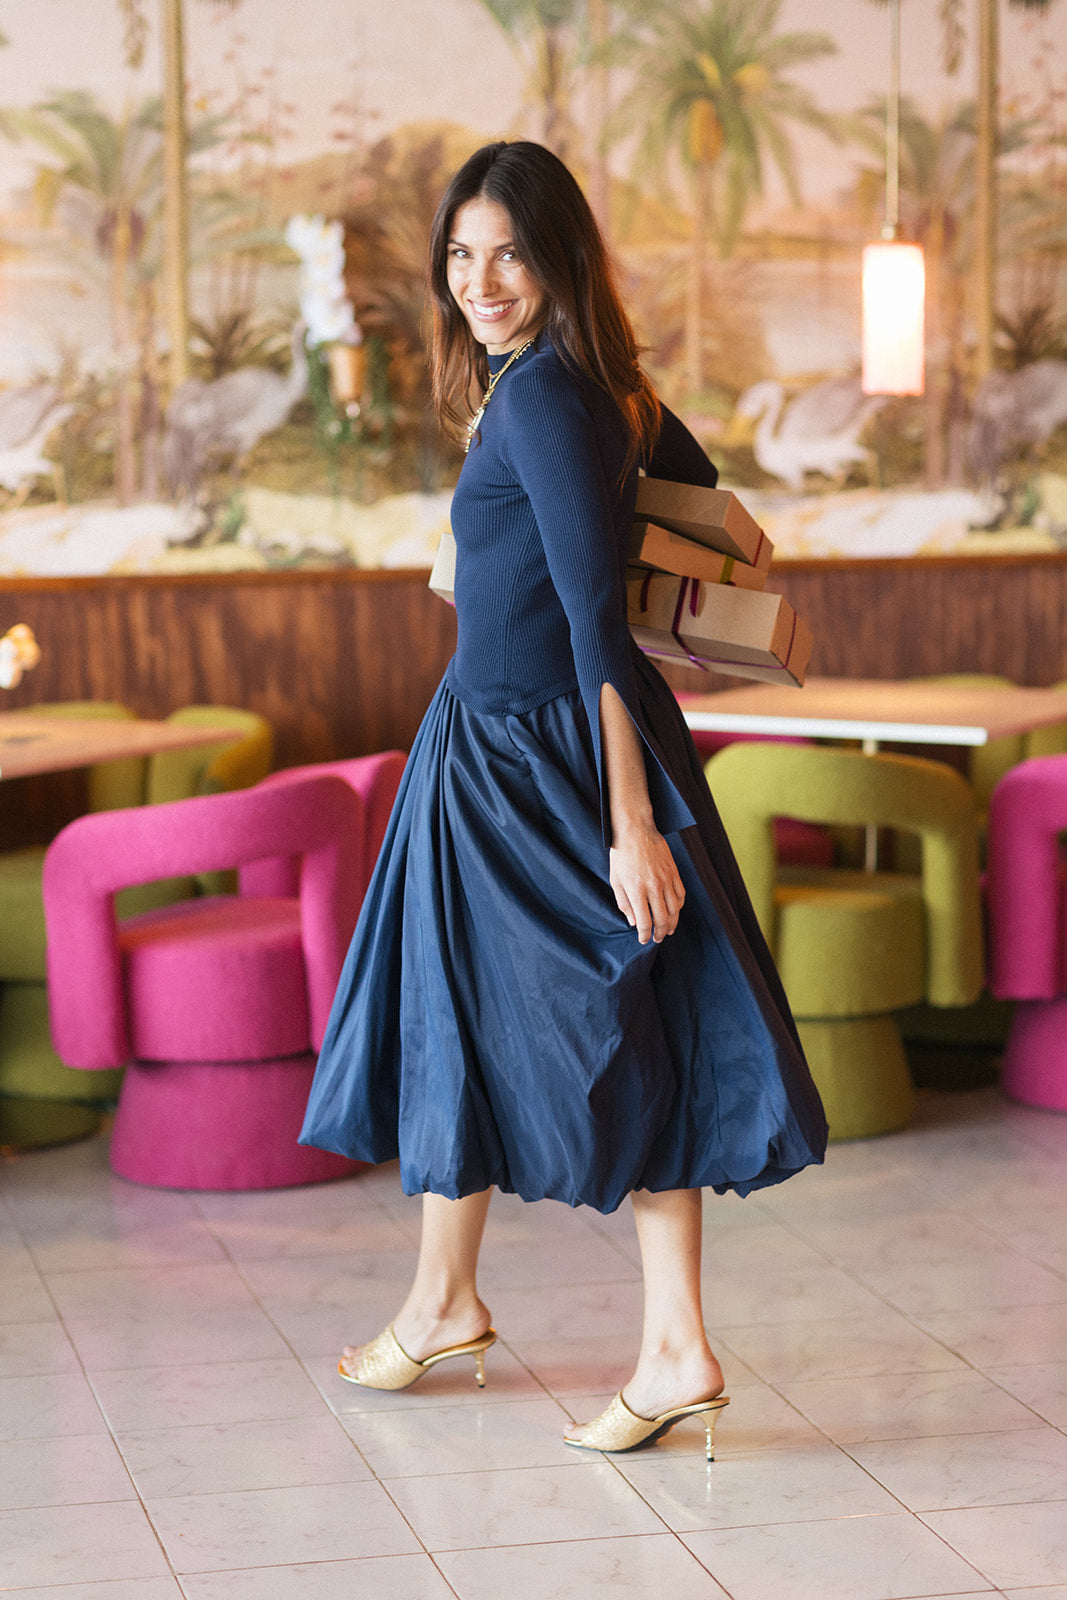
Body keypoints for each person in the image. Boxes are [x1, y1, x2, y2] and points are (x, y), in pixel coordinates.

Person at [300, 139, 827, 1460]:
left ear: (560, 260)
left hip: (529, 765)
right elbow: (708, 523)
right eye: (461, 254)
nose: (480, 279)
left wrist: (630, 820)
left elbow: (599, 612)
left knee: (573, 1031)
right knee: (518, 1017)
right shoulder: (612, 395)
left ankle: (609, 1335)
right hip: (517, 747)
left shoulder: (539, 401)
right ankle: (474, 1304)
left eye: (509, 254)